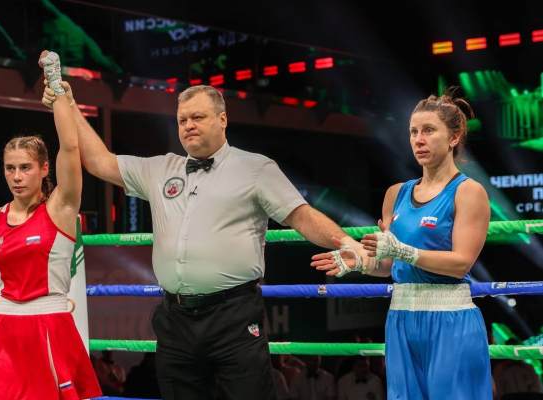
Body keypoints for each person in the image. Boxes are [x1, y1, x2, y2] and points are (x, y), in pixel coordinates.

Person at [41, 52, 375, 400]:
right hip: (176, 319)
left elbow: (300, 215)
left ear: (223, 119)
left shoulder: (256, 168)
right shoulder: (160, 168)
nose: (189, 125)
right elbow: (98, 162)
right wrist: (69, 104)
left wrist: (346, 242)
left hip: (234, 316)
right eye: (182, 120)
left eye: (198, 117)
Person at [313, 88, 492, 399]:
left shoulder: (469, 192)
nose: (418, 140)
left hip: (449, 319)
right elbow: (388, 265)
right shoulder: (395, 194)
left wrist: (403, 251)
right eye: (413, 131)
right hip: (401, 317)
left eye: (429, 130)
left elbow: (461, 263)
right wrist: (361, 262)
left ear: (453, 137)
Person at [0, 52, 101, 400]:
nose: (16, 176)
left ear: (44, 169)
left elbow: (70, 146)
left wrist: (56, 85)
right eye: (10, 168)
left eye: (25, 167)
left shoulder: (61, 209)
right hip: (2, 333)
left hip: (49, 327)